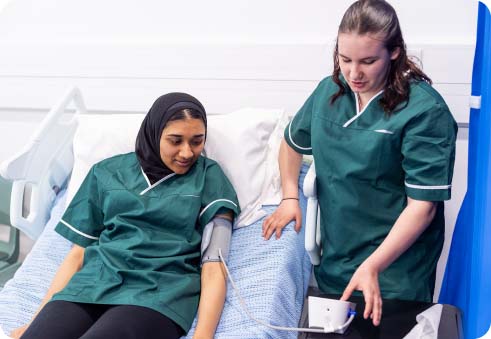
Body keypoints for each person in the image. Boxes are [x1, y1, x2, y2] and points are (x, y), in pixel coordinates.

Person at [262, 0, 457, 327]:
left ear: (394, 52)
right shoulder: (329, 91)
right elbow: (291, 143)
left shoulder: (425, 111)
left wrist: (373, 266)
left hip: (396, 270)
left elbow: (422, 207)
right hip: (337, 260)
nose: (353, 73)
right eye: (345, 59)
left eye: (368, 61)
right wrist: (289, 197)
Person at [11, 93, 240, 339]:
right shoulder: (106, 172)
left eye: (197, 141)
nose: (186, 152)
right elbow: (77, 254)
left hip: (159, 292)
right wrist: (34, 322)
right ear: (154, 134)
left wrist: (202, 338)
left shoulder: (208, 177)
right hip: (92, 284)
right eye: (175, 141)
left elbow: (215, 265)